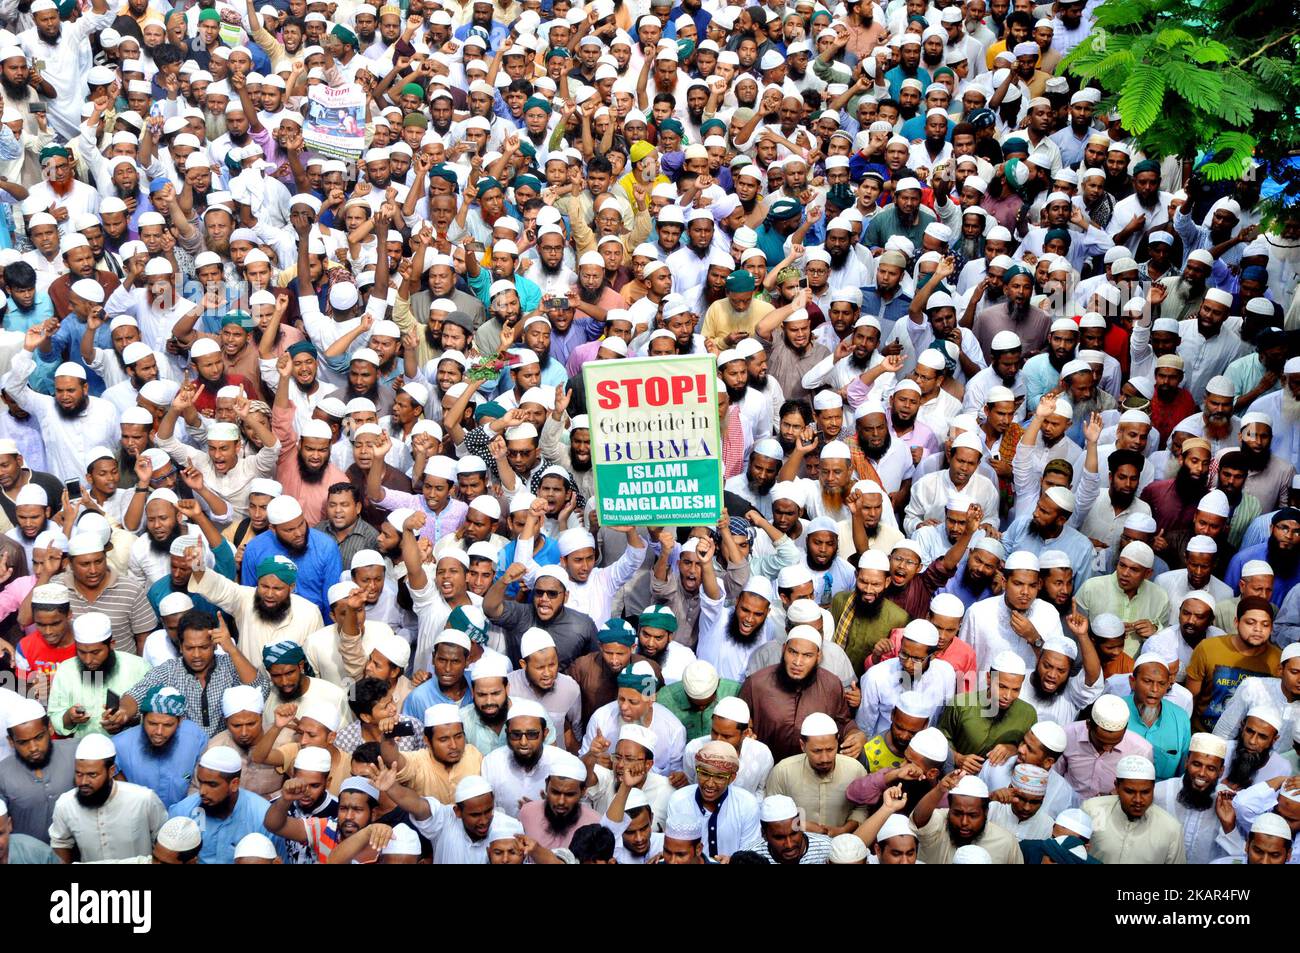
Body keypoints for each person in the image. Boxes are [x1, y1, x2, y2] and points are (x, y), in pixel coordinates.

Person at [48, 734, 168, 863]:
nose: (83, 782)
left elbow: (164, 841)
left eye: (92, 775)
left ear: (111, 771)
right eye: (79, 773)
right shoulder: (66, 804)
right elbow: (60, 843)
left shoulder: (143, 799)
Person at [167, 747, 275, 865]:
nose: (202, 791)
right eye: (201, 782)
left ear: (234, 784)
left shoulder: (263, 816)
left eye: (212, 784)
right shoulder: (184, 811)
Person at [1081, 754, 1187, 863]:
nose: (1138, 800)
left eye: (1145, 792)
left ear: (1153, 788)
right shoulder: (1091, 810)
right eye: (1130, 792)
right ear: (1117, 787)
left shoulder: (1170, 829)